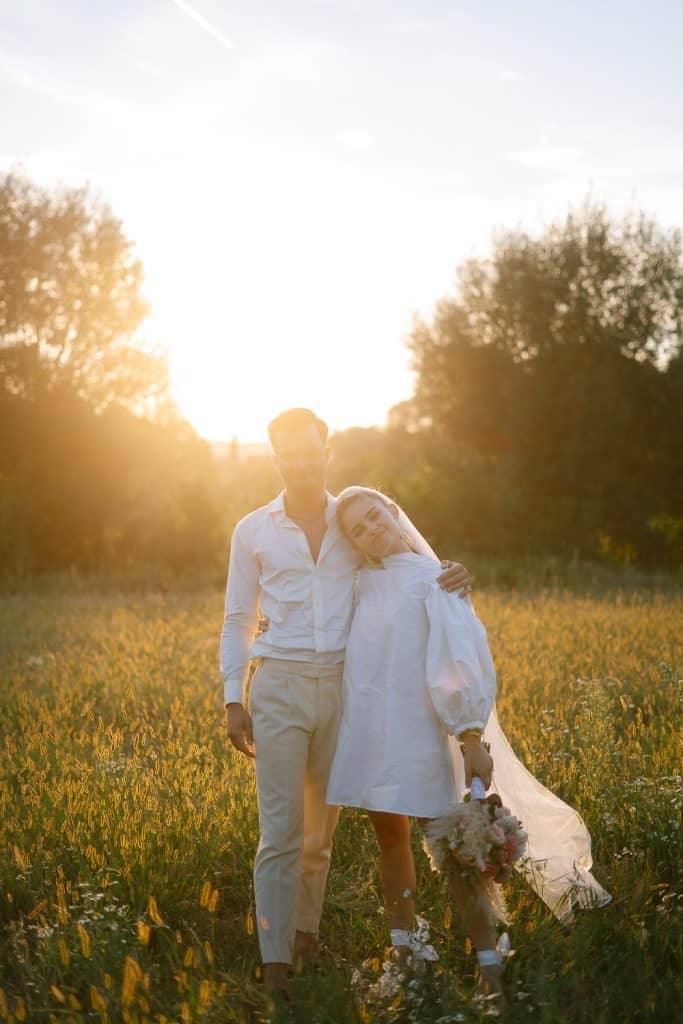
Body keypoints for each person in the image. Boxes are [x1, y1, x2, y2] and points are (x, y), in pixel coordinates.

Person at [220, 409, 472, 996]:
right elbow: (237, 618)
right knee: (279, 833)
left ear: (326, 452)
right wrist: (233, 698)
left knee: (318, 836)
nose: (302, 463)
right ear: (276, 458)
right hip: (279, 686)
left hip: (341, 687)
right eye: (290, 454)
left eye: (311, 452)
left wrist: (450, 572)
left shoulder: (352, 523)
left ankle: (305, 938)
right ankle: (275, 964)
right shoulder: (252, 530)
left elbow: (404, 561)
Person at [326, 486, 612, 1000]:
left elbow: (457, 659)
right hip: (371, 730)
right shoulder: (357, 584)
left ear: (393, 511)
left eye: (374, 516)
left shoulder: (436, 579)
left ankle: (489, 962)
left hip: (423, 732)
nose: (372, 531)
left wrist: (470, 736)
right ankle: (406, 952)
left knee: (454, 849)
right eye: (358, 530)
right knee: (389, 839)